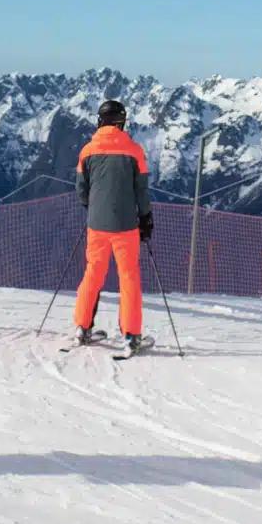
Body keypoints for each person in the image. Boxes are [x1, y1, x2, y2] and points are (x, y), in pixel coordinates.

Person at [72, 98, 153, 350]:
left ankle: (82, 328)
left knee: (93, 273)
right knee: (128, 277)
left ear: (100, 121)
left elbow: (81, 190)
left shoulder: (87, 151)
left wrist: (94, 208)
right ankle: (131, 335)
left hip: (96, 224)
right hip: (126, 225)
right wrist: (146, 219)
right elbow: (141, 191)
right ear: (122, 122)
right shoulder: (135, 151)